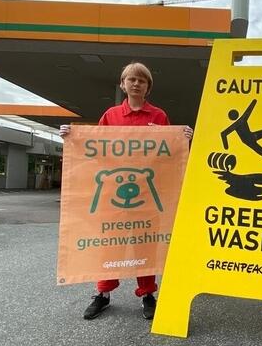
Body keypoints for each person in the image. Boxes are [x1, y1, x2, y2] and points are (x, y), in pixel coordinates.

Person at [60, 62, 193, 321]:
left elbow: (169, 154)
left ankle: (147, 294)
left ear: (148, 87)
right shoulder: (110, 115)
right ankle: (103, 294)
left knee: (146, 244)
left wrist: (184, 137)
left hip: (149, 195)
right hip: (113, 195)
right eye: (131, 79)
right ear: (123, 84)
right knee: (111, 244)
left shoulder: (159, 116)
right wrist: (71, 136)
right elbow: (95, 148)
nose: (136, 83)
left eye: (141, 80)